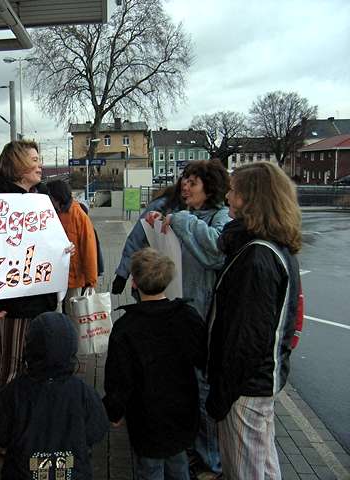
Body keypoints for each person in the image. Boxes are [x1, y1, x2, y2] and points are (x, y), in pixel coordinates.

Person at [206, 161, 301, 479]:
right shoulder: (271, 248)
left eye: (233, 191)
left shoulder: (256, 256)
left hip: (244, 389)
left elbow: (245, 338)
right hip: (255, 384)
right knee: (263, 464)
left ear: (251, 199)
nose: (227, 197)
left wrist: (221, 396)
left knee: (244, 470)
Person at [149, 159, 231, 476]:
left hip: (204, 320)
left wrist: (180, 221)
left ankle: (210, 458)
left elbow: (214, 253)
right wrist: (158, 227)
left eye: (192, 182)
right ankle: (194, 446)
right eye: (184, 180)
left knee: (202, 388)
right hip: (181, 314)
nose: (185, 186)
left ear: (209, 188)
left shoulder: (221, 217)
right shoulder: (188, 216)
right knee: (186, 386)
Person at [0, 140, 59, 394]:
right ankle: (2, 423)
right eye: (35, 160)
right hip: (13, 304)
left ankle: (20, 420)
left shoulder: (38, 197)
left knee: (28, 365)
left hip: (37, 297)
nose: (41, 165)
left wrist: (60, 248)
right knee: (11, 368)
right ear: (18, 165)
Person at [103, 248, 206, 480]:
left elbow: (119, 378)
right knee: (178, 463)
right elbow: (202, 358)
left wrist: (114, 410)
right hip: (183, 411)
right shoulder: (187, 316)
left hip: (146, 417)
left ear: (135, 283)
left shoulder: (126, 327)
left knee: (149, 469)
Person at [0, 312, 109, 479]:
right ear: (72, 347)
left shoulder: (14, 392)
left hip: (22, 473)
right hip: (73, 473)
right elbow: (97, 429)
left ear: (29, 347)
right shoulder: (83, 392)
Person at [111, 179, 185, 297]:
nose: (187, 187)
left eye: (193, 183)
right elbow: (137, 238)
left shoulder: (206, 213)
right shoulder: (163, 206)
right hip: (156, 278)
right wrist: (122, 273)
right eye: (186, 182)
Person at [46, 179, 98, 315]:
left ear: (57, 197)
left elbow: (89, 250)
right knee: (60, 312)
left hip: (73, 277)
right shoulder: (52, 213)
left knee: (72, 313)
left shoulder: (78, 215)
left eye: (50, 196)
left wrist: (90, 281)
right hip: (57, 275)